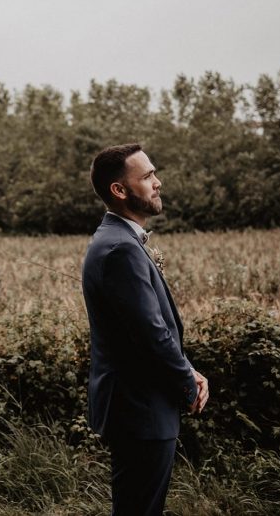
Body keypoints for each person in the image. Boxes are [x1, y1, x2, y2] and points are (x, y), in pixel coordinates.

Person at [82, 144, 208, 515]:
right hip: (140, 408)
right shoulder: (120, 249)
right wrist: (187, 382)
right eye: (148, 176)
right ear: (119, 190)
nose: (158, 182)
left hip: (136, 406)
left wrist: (189, 370)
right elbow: (151, 334)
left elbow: (146, 327)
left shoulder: (117, 240)